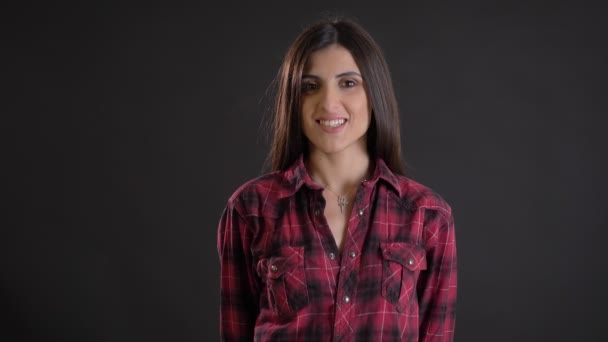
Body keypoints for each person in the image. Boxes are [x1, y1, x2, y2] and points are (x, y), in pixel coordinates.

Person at [217, 17, 457, 341]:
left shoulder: (427, 215)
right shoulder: (251, 210)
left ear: (374, 93)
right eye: (310, 86)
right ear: (294, 100)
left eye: (348, 83)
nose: (328, 103)